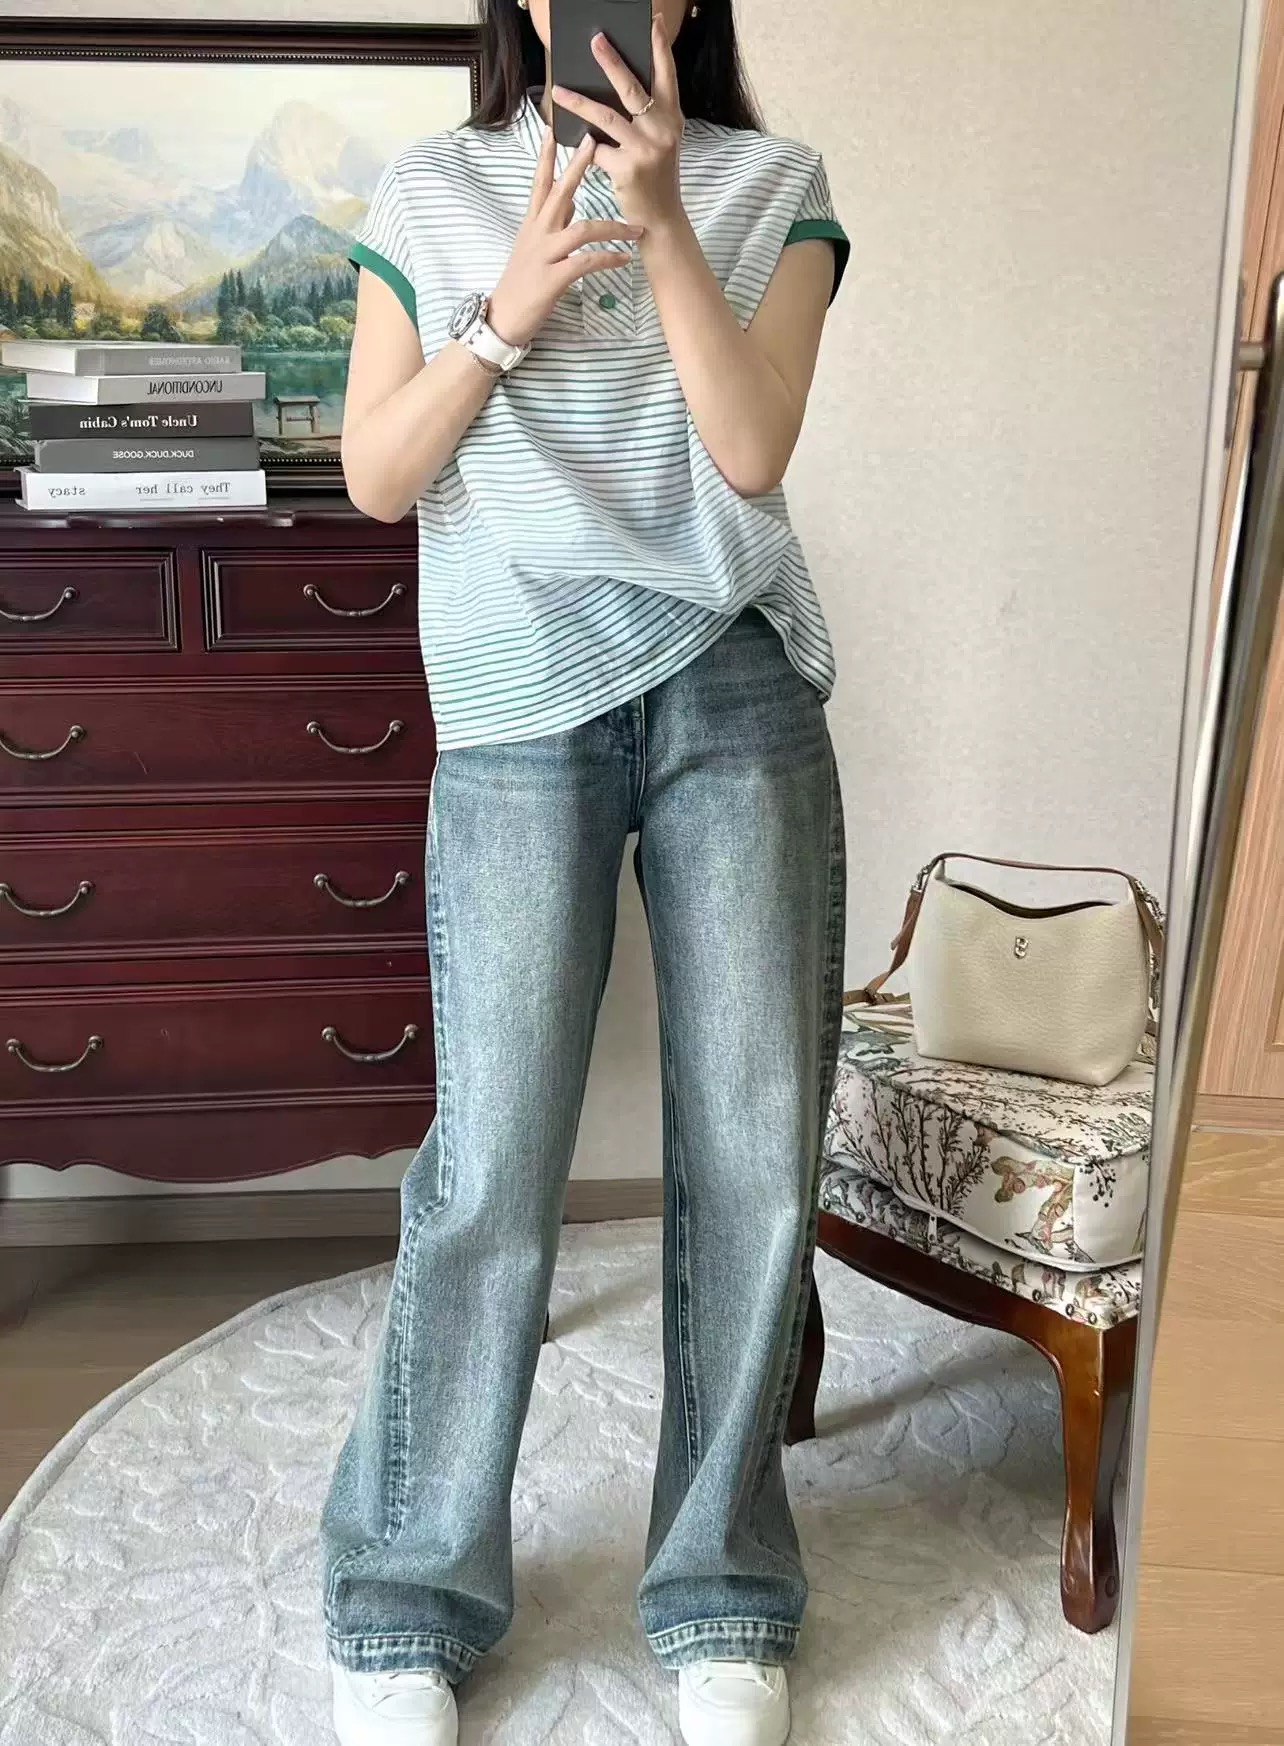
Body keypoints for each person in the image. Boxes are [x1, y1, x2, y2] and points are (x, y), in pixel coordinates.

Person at [320, 1, 849, 1740]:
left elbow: (752, 449)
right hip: (515, 692)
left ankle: (723, 1587)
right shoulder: (430, 188)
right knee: (491, 1159)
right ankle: (408, 1596)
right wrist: (504, 312)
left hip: (730, 684)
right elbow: (378, 475)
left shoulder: (776, 183)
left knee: (755, 1147)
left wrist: (667, 216)